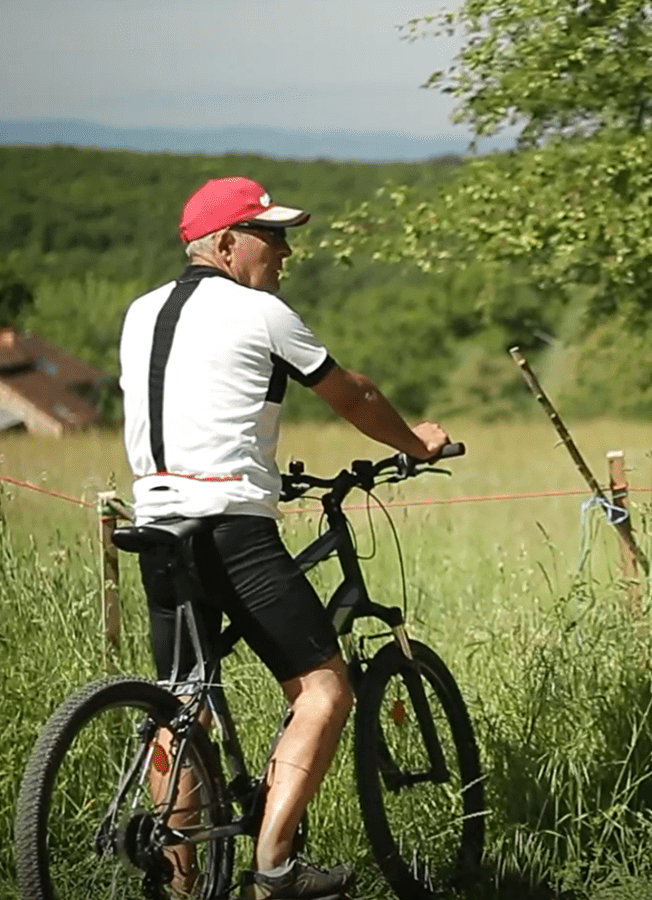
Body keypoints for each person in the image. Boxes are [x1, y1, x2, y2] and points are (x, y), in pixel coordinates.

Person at [118, 176, 450, 900]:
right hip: (232, 524)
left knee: (185, 702)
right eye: (271, 235)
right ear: (227, 244)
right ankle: (274, 867)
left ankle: (181, 886)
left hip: (154, 521)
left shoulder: (140, 312)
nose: (287, 250)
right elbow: (352, 394)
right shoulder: (258, 312)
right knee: (326, 689)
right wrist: (417, 445)